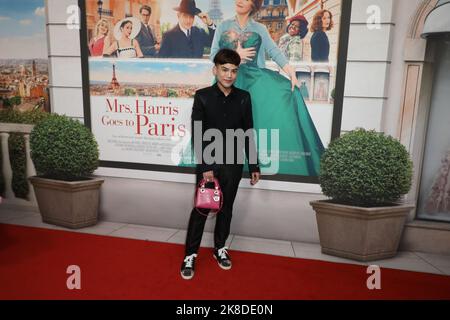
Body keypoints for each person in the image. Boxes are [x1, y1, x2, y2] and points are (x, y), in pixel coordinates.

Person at [209, 0, 324, 176]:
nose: (239, 1)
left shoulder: (260, 29)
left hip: (255, 83)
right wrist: (234, 56)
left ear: (253, 5)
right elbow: (212, 55)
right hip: (228, 82)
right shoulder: (223, 25)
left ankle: (252, 168)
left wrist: (291, 73)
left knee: (255, 124)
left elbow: (274, 52)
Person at [180, 49, 261, 280]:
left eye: (234, 70)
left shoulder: (244, 97)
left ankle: (220, 248)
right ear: (215, 70)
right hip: (209, 164)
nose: (229, 75)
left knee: (226, 208)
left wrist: (253, 166)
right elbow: (197, 133)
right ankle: (190, 254)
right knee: (202, 209)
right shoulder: (202, 96)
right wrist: (205, 165)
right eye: (224, 69)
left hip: (233, 164)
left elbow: (248, 133)